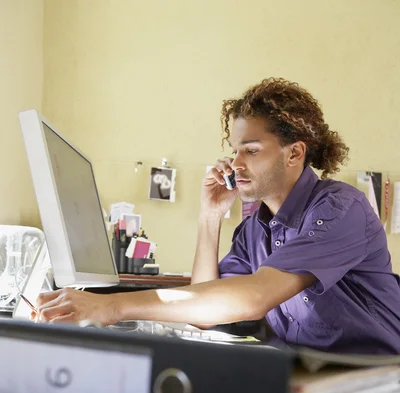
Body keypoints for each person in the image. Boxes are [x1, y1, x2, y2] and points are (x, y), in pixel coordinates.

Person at [34, 78, 400, 354]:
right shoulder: (255, 229)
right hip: (310, 385)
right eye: (234, 151)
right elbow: (206, 310)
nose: (236, 164)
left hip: (373, 390)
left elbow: (255, 296)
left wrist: (110, 306)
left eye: (251, 151)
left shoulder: (339, 208)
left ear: (294, 154)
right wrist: (210, 216)